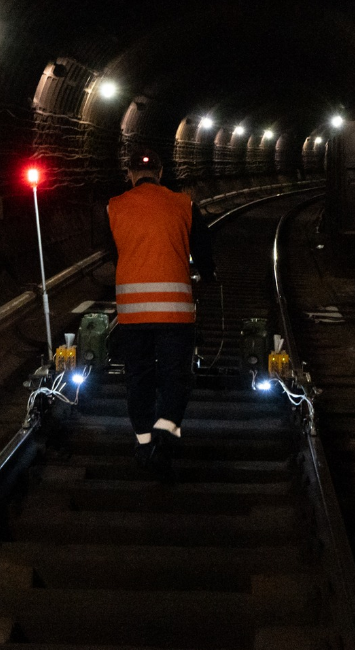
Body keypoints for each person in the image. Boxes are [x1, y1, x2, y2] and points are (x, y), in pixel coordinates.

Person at [105, 148, 216, 477]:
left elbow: (113, 252)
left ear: (129, 175)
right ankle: (166, 436)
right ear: (161, 172)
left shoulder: (114, 207)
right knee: (174, 378)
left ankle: (143, 443)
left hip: (133, 316)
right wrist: (207, 274)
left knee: (137, 378)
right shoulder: (184, 204)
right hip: (175, 314)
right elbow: (203, 249)